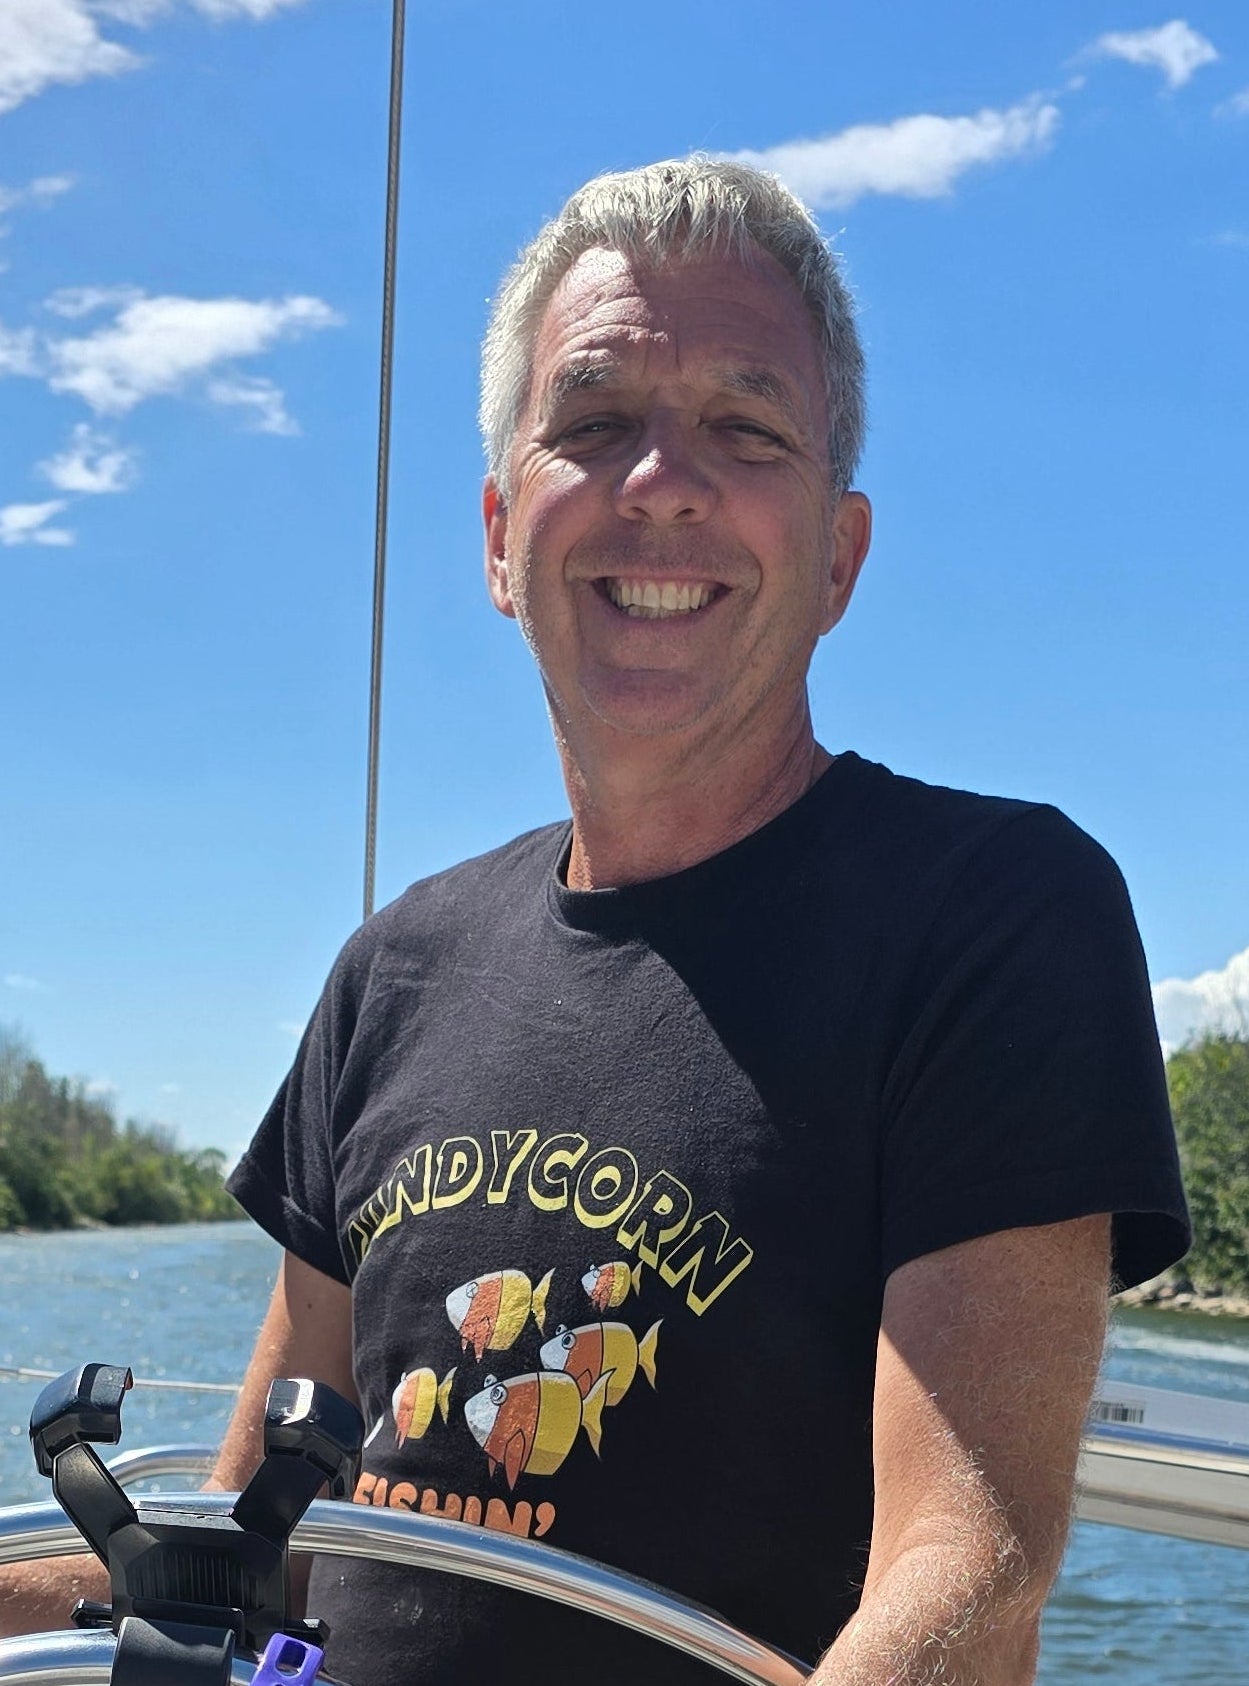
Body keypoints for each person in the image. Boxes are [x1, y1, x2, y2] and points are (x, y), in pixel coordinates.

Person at [1, 158, 1188, 1684]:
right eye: (594, 421)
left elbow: (967, 1575)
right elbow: (248, 1550)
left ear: (838, 555)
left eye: (745, 428)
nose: (661, 481)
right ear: (501, 537)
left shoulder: (997, 919)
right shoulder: (392, 971)